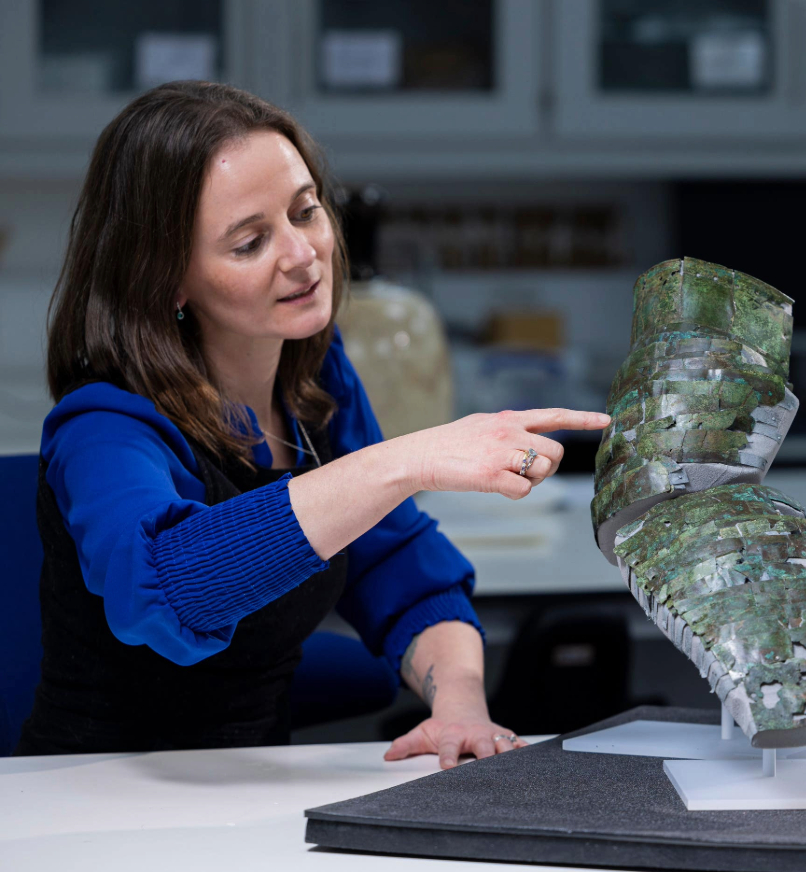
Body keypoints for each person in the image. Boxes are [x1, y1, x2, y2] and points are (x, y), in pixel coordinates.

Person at [16, 81, 609, 767]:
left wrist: (460, 710)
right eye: (250, 242)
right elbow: (169, 588)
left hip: (248, 792)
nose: (303, 254)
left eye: (306, 212)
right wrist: (403, 462)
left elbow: (399, 569)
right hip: (91, 799)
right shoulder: (103, 426)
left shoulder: (317, 382)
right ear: (167, 280)